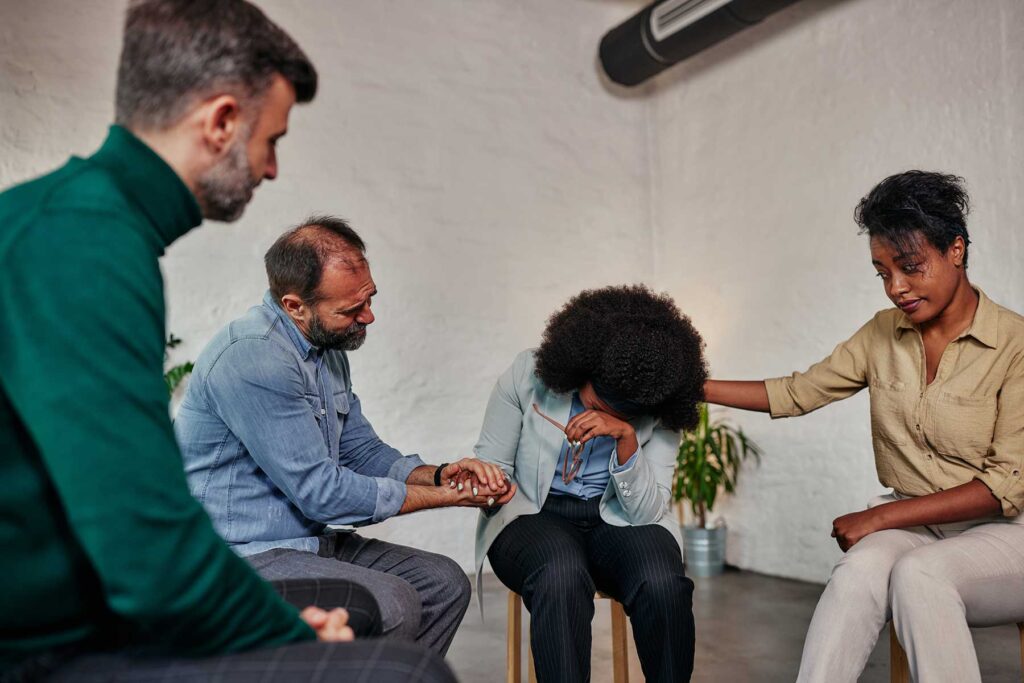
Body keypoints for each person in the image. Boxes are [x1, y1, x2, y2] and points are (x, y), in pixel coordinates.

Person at [0, 1, 454, 681]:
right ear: (219, 123)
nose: (271, 169)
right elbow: (142, 534)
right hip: (50, 645)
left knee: (422, 604)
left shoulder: (88, 225)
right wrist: (275, 625)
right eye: (272, 139)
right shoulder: (86, 245)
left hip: (90, 616)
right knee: (407, 670)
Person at [704, 171, 1024, 683]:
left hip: (1008, 536)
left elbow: (1002, 487)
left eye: (910, 267)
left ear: (956, 250)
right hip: (918, 526)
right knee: (858, 575)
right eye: (882, 273)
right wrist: (689, 386)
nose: (896, 287)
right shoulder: (883, 333)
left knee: (921, 575)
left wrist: (879, 518)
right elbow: (796, 392)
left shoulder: (1016, 345)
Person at [174, 215, 515, 656]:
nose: (368, 316)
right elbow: (322, 494)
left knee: (442, 584)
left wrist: (443, 475)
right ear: (295, 305)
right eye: (351, 310)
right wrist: (450, 497)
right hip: (242, 553)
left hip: (306, 542)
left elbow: (361, 450)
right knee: (392, 603)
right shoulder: (254, 357)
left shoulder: (326, 350)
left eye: (369, 299)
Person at [471, 285, 706, 683]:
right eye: (596, 404)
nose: (597, 415)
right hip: (533, 513)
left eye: (620, 415)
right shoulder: (526, 376)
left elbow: (649, 511)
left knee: (663, 581)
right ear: (583, 366)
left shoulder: (660, 406)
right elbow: (491, 464)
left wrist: (626, 439)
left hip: (616, 517)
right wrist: (489, 485)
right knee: (559, 572)